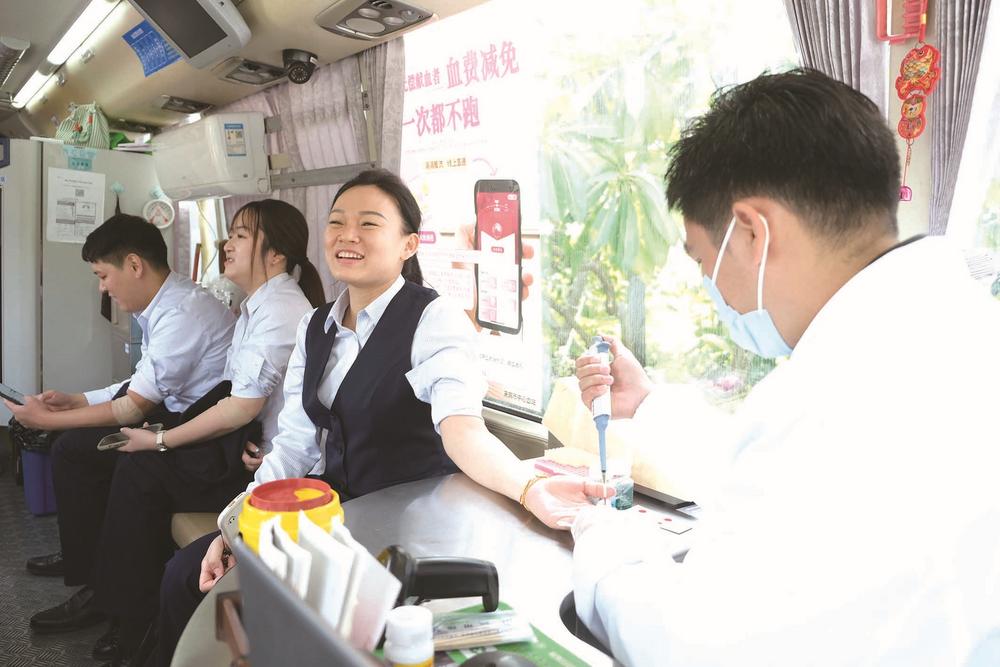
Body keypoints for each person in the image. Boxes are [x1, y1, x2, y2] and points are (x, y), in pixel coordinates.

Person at [562, 68, 1000, 665]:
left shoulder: (830, 396)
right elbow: (780, 472)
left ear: (751, 232)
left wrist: (606, 554)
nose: (714, 289)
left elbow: (693, 647)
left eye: (702, 261)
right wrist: (649, 406)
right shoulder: (950, 327)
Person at [153, 169, 604, 666]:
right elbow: (296, 444)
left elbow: (462, 431)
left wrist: (529, 487)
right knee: (185, 575)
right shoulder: (315, 325)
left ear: (408, 244)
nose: (348, 235)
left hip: (410, 521)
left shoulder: (433, 319)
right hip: (333, 514)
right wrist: (239, 521)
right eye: (337, 222)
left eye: (369, 223)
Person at [81, 200, 324, 665]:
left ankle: (131, 621)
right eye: (230, 233)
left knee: (142, 470)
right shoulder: (257, 306)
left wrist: (160, 439)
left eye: (241, 236)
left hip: (264, 465)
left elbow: (240, 407)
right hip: (251, 448)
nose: (227, 244)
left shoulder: (281, 309)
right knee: (135, 465)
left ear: (276, 254)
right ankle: (125, 609)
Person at [4, 214, 236, 635]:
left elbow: (132, 408)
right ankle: (87, 562)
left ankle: (100, 587)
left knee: (78, 449)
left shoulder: (182, 313)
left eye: (103, 275)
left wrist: (49, 419)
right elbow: (140, 383)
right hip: (178, 415)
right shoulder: (164, 305)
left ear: (133, 265)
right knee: (74, 448)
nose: (102, 288)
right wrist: (77, 400)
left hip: (201, 431)